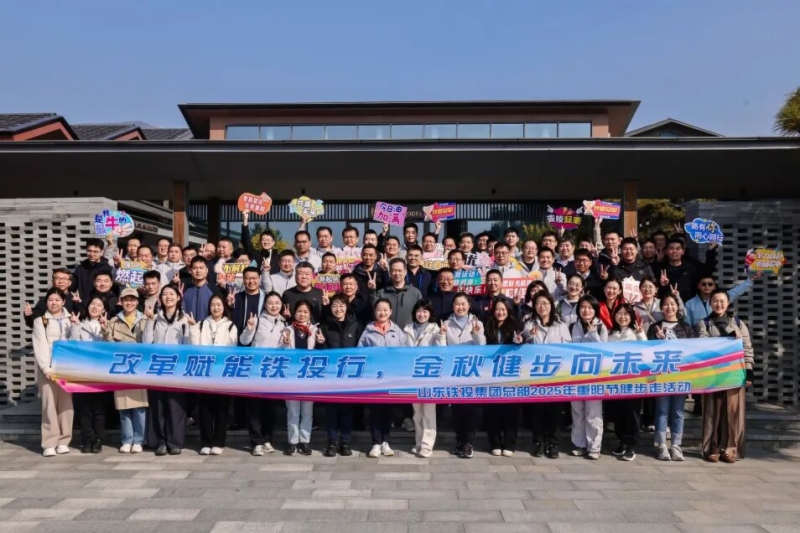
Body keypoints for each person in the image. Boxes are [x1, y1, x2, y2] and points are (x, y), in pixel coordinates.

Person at [697, 289, 754, 463]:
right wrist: (727, 338)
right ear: (710, 303)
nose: (719, 304)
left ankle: (730, 449)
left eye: (722, 301)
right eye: (715, 301)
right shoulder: (704, 323)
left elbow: (747, 348)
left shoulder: (738, 323)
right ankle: (711, 448)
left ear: (728, 303)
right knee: (712, 411)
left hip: (735, 373)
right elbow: (702, 344)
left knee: (733, 411)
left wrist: (749, 371)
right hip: (713, 375)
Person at [522, 292, 571, 459]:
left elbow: (568, 348)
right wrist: (530, 333)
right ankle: (538, 442)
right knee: (537, 411)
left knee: (554, 412)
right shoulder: (530, 323)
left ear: (551, 305)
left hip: (556, 375)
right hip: (535, 375)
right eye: (538, 303)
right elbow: (525, 338)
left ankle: (553, 443)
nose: (542, 306)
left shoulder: (560, 325)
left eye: (545, 303)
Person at [142, 284, 190, 456]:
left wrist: (192, 329)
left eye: (172, 294)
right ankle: (160, 441)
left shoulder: (185, 319)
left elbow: (189, 346)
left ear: (178, 297)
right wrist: (149, 322)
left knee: (176, 407)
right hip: (157, 369)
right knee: (158, 407)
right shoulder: (155, 319)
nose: (168, 297)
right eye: (165, 294)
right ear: (160, 298)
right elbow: (146, 343)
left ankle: (175, 442)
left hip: (177, 370)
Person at [647, 293, 694, 462]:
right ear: (661, 308)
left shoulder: (686, 327)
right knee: (662, 410)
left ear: (677, 306)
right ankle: (661, 445)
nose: (669, 307)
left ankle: (676, 445)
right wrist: (659, 340)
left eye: (672, 304)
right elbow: (648, 351)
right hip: (661, 375)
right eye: (666, 304)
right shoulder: (655, 327)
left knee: (678, 411)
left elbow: (692, 350)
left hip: (680, 375)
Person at [189, 294, 238, 455]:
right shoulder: (202, 324)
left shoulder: (230, 325)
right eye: (213, 305)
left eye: (219, 305)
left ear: (224, 307)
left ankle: (219, 442)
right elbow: (194, 347)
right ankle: (206, 442)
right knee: (204, 409)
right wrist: (193, 329)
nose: (216, 308)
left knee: (221, 409)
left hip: (222, 373)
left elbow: (232, 349)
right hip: (204, 372)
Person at [358, 298, 407, 458]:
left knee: (387, 410)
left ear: (391, 312)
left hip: (391, 378)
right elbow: (360, 352)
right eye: (379, 309)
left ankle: (386, 441)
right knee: (375, 411)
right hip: (374, 378)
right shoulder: (368, 331)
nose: (382, 312)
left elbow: (404, 352)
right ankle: (375, 443)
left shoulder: (397, 331)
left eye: (385, 309)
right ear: (374, 312)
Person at [317, 293, 364, 457]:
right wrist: (321, 343)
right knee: (331, 410)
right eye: (335, 305)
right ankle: (332, 442)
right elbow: (320, 352)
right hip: (331, 375)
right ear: (330, 307)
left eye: (342, 305)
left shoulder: (355, 325)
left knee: (346, 410)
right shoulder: (325, 325)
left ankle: (345, 442)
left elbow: (361, 349)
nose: (338, 309)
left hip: (350, 375)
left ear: (347, 307)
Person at [239, 291, 285, 456]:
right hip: (256, 371)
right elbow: (244, 341)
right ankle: (256, 442)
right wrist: (249, 328)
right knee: (255, 408)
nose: (274, 306)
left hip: (273, 372)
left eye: (277, 303)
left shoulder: (284, 324)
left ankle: (267, 439)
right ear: (265, 305)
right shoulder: (257, 321)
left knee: (269, 409)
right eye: (270, 303)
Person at [103, 288, 148, 453]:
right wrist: (105, 330)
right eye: (126, 299)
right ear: (121, 302)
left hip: (140, 368)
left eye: (133, 299)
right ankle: (127, 439)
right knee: (123, 407)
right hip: (121, 368)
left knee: (140, 407)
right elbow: (108, 346)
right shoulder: (113, 321)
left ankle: (139, 440)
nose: (129, 303)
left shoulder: (146, 319)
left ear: (137, 302)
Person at [441, 292, 486, 459]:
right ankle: (459, 440)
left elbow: (482, 346)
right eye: (457, 304)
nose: (460, 307)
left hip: (472, 372)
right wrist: (441, 335)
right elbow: (442, 349)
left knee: (471, 409)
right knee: (457, 409)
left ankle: (468, 442)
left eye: (463, 304)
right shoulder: (446, 323)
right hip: (454, 372)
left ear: (469, 306)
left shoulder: (477, 323)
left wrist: (476, 333)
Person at [32, 288, 73, 457]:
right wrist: (46, 368)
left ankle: (64, 441)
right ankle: (49, 443)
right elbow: (40, 345)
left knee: (66, 406)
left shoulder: (72, 319)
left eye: (57, 300)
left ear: (63, 302)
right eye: (50, 300)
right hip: (48, 369)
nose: (54, 303)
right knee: (49, 406)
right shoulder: (40, 321)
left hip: (68, 369)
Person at [403, 300, 445, 458]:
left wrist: (441, 336)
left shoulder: (435, 329)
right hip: (412, 376)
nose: (422, 314)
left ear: (430, 313)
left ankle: (427, 445)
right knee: (417, 413)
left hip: (429, 375)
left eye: (425, 311)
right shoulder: (407, 329)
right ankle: (418, 443)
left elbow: (442, 351)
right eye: (419, 311)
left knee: (428, 412)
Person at [69, 295, 110, 453]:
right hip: (82, 371)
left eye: (99, 305)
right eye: (93, 304)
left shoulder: (107, 325)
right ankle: (87, 440)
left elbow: (111, 346)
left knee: (99, 409)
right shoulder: (79, 324)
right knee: (84, 408)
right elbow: (72, 344)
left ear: (104, 309)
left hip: (101, 372)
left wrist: (105, 329)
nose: (95, 307)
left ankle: (99, 440)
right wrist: (74, 326)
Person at [569, 295, 608, 460]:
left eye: (590, 307)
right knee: (577, 412)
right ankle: (580, 444)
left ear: (595, 310)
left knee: (593, 412)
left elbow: (604, 351)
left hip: (594, 376)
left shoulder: (601, 327)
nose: (586, 310)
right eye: (583, 307)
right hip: (575, 375)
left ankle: (594, 447)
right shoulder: (573, 326)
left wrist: (593, 334)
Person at [279, 300, 319, 456]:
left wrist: (321, 343)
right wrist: (284, 344)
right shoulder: (287, 330)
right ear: (294, 313)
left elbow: (320, 352)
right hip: (292, 376)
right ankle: (292, 442)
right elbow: (279, 352)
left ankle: (304, 441)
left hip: (309, 376)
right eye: (299, 311)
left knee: (307, 411)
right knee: (293, 411)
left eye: (305, 311)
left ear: (310, 314)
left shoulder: (315, 330)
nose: (302, 314)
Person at [608, 303, 647, 461]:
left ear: (631, 317)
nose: (622, 317)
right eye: (619, 313)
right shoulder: (611, 335)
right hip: (615, 381)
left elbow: (646, 351)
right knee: (618, 413)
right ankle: (622, 442)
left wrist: (641, 334)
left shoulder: (636, 333)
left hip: (633, 381)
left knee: (632, 414)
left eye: (626, 314)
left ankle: (631, 445)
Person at [484, 298, 523, 457]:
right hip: (491, 374)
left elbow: (521, 343)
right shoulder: (487, 326)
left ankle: (509, 443)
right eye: (498, 309)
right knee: (492, 411)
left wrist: (518, 341)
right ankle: (494, 442)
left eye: (503, 310)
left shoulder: (515, 326)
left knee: (510, 411)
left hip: (510, 374)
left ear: (508, 311)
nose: (500, 312)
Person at [372, 258, 423, 328]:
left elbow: (421, 314)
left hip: (408, 332)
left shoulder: (415, 293)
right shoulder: (382, 292)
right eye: (394, 270)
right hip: (386, 331)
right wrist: (372, 290)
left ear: (405, 272)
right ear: (389, 272)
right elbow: (374, 309)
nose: (397, 273)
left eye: (400, 270)